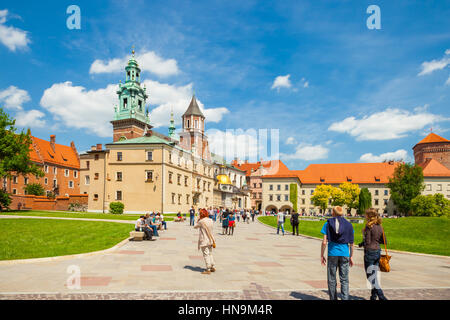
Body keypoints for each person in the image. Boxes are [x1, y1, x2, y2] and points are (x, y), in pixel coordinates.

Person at [320, 206, 354, 300]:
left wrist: (322, 255)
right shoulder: (349, 225)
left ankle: (333, 298)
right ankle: (345, 298)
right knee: (344, 279)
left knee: (331, 279)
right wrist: (351, 256)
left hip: (332, 253)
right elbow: (351, 243)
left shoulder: (327, 223)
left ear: (333, 213)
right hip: (344, 253)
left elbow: (324, 242)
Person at [359, 208, 388, 300]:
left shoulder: (369, 226)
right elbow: (384, 241)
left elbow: (367, 241)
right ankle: (373, 296)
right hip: (377, 251)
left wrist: (364, 235)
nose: (365, 216)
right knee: (374, 275)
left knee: (370, 276)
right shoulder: (380, 226)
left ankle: (381, 296)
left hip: (370, 252)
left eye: (366, 214)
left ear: (369, 216)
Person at [194, 209, 216, 274]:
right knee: (210, 253)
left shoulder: (201, 221)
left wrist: (198, 220)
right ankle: (212, 266)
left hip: (204, 240)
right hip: (210, 240)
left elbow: (195, 226)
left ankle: (208, 268)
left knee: (206, 254)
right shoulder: (211, 220)